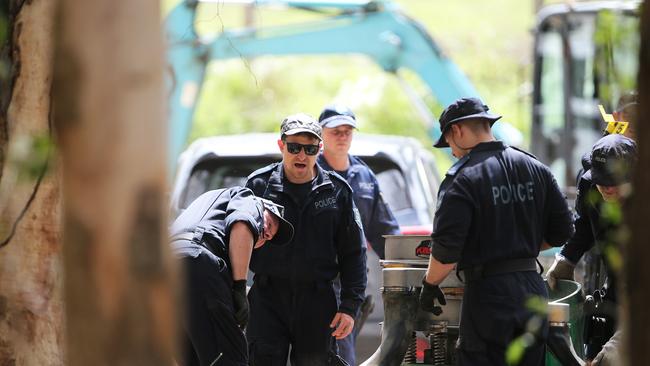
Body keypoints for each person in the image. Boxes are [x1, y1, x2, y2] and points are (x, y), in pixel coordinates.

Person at [418, 97, 574, 366]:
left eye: (450, 145)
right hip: (532, 291)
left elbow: (446, 251)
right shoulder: (535, 167)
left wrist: (430, 285)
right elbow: (562, 231)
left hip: (489, 296)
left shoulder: (462, 179)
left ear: (456, 131)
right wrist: (518, 246)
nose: (453, 153)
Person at [245, 113, 367, 366]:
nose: (302, 155)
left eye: (310, 149)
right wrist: (234, 291)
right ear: (281, 146)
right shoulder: (258, 185)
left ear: (319, 149)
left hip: (317, 301)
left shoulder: (337, 191)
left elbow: (353, 253)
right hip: (268, 299)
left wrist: (349, 307)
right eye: (294, 147)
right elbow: (235, 242)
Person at [170, 187, 294, 366]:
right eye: (270, 223)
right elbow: (242, 223)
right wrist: (239, 288)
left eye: (269, 237)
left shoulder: (206, 204)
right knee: (231, 358)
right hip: (197, 261)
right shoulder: (249, 199)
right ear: (264, 209)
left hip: (166, 270)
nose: (267, 233)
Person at [317, 104, 401, 365]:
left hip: (352, 283)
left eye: (347, 131)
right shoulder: (308, 172)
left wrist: (405, 270)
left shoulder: (364, 175)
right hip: (315, 281)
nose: (342, 136)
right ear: (321, 135)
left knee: (343, 353)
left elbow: (384, 231)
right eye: (335, 131)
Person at [547, 134, 637, 365]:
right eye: (600, 180)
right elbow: (583, 225)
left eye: (612, 182)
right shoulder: (589, 184)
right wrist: (566, 259)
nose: (605, 188)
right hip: (617, 280)